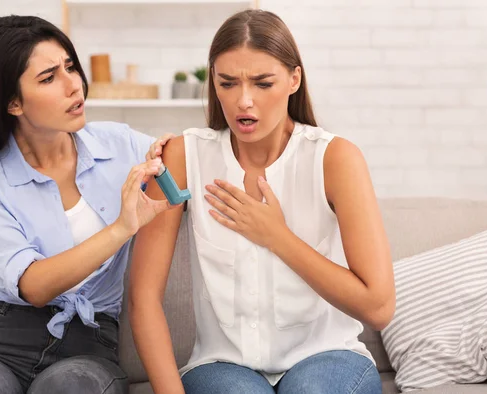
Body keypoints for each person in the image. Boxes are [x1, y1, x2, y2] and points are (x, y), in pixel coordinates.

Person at [129, 9, 395, 394]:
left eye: (262, 83)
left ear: (293, 79)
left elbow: (379, 307)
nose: (244, 101)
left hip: (327, 356)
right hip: (223, 365)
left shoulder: (336, 159)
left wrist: (277, 237)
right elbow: (143, 298)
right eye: (228, 83)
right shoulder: (183, 158)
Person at [0, 15, 176, 394]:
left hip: (88, 339)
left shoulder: (119, 145)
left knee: (73, 387)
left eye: (70, 66)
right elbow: (34, 286)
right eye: (49, 77)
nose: (74, 85)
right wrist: (122, 227)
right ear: (12, 103)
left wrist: (170, 153)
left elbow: (187, 155)